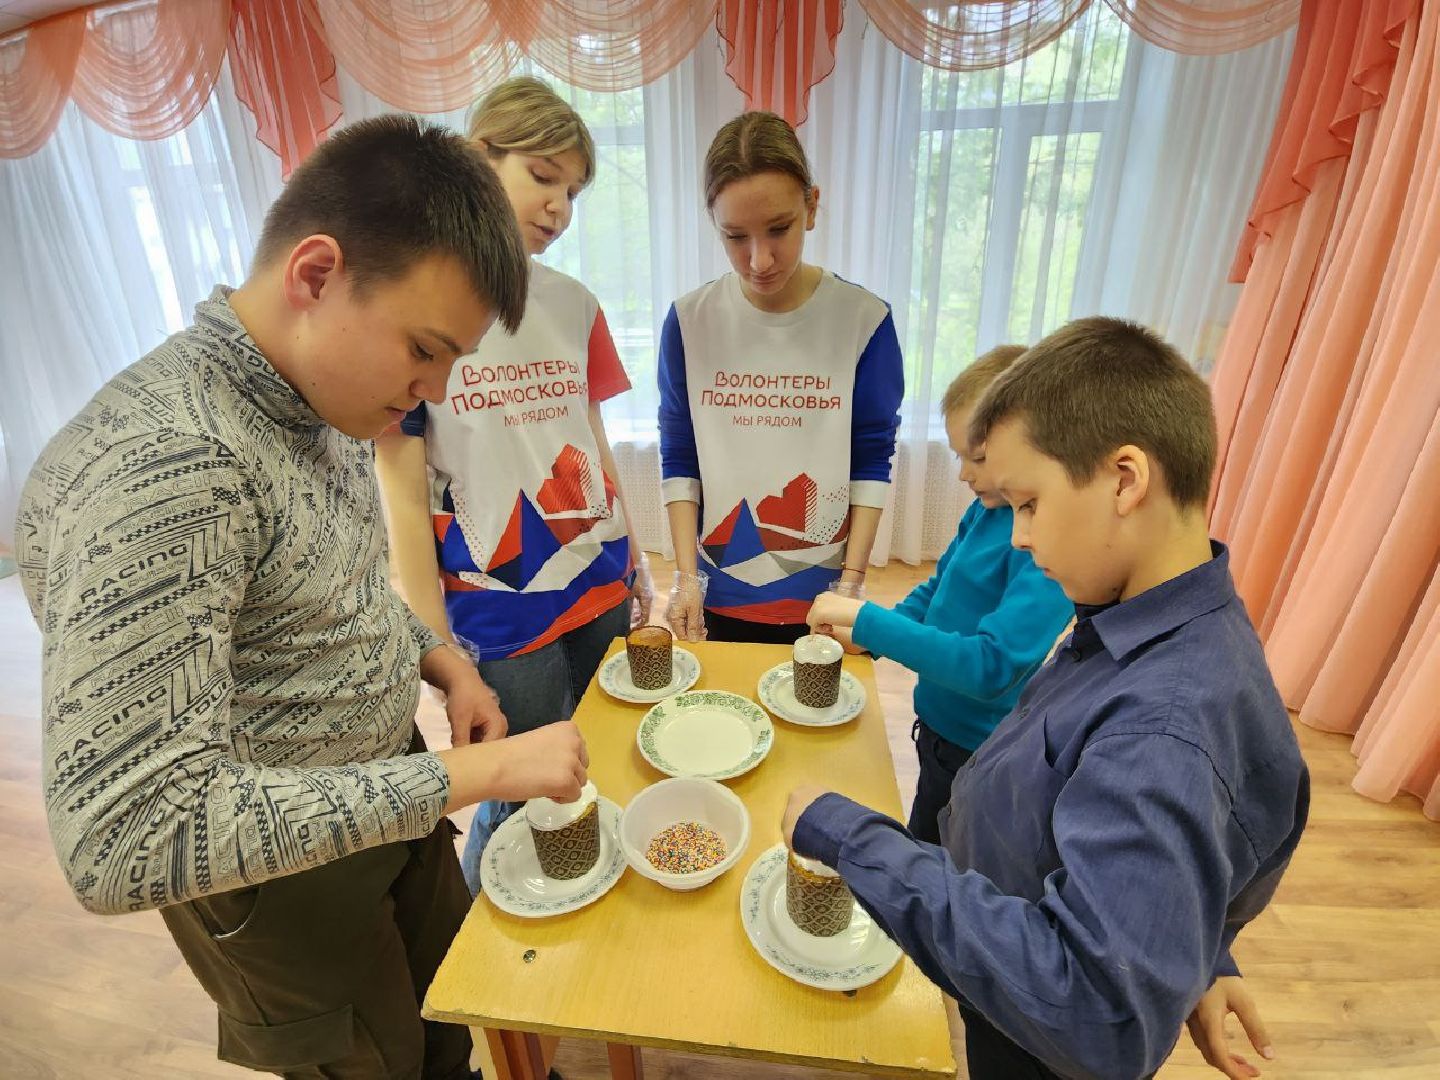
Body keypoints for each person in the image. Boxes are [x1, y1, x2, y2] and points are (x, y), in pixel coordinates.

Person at [14, 114, 588, 1079]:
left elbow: (335, 587)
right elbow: (124, 837)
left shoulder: (313, 392)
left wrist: (437, 658)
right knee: (375, 1059)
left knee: (449, 1011)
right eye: (425, 347)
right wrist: (481, 777)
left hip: (388, 793)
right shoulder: (171, 465)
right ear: (316, 274)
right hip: (285, 885)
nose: (436, 389)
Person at [782, 317, 1309, 1080]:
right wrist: (1195, 950)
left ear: (1125, 481)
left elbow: (1090, 1008)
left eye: (1027, 504)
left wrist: (850, 835)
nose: (1018, 536)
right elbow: (1218, 845)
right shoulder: (1149, 624)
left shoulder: (1165, 730)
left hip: (1032, 1045)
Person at [376, 77, 650, 893]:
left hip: (598, 577)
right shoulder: (422, 303)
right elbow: (402, 479)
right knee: (516, 782)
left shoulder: (574, 303)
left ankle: (590, 893)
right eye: (542, 175)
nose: (559, 205)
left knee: (602, 749)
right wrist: (434, 644)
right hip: (500, 599)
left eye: (572, 189)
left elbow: (591, 437)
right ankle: (487, 944)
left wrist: (637, 556)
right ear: (476, 155)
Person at [806, 345, 1072, 843]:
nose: (963, 474)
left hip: (978, 750)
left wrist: (868, 620)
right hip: (937, 726)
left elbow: (990, 666)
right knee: (922, 835)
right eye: (958, 456)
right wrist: (874, 637)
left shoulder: (1047, 547)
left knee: (942, 861)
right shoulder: (988, 511)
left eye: (978, 458)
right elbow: (939, 590)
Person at [658, 111, 903, 645]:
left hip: (824, 593)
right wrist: (685, 578)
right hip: (717, 588)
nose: (760, 259)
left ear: (812, 206)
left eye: (779, 229)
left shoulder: (864, 321)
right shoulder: (689, 321)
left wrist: (851, 585)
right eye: (735, 236)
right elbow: (680, 455)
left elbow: (872, 459)